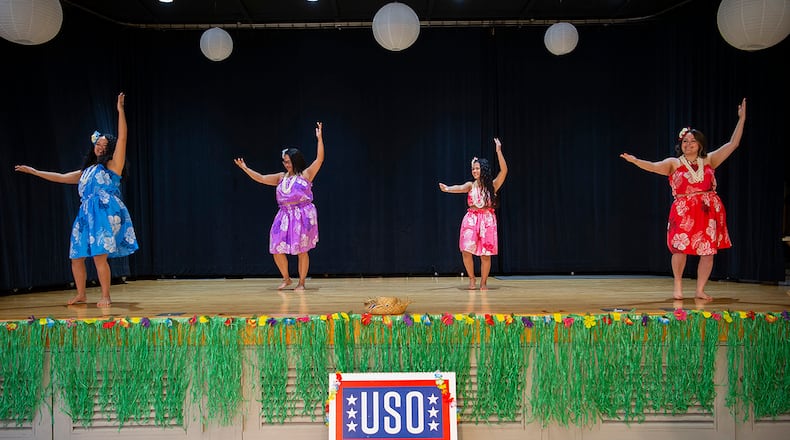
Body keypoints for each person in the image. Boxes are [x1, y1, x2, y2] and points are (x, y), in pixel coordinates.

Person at [14, 92, 138, 307]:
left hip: (103, 213)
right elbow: (62, 177)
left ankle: (106, 295)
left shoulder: (112, 167)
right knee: (76, 256)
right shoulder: (87, 171)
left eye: (104, 145)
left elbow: (123, 137)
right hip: (85, 215)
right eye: (97, 144)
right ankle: (81, 294)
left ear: (109, 149)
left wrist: (120, 111)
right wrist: (34, 172)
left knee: (99, 256)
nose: (99, 147)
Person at [620, 98, 746, 301]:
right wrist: (636, 161)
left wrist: (742, 118)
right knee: (680, 248)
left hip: (708, 210)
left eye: (692, 141)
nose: (688, 144)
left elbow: (733, 144)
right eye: (685, 141)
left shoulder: (710, 160)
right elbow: (653, 166)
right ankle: (677, 284)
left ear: (700, 144)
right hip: (684, 210)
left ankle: (700, 289)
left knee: (708, 252)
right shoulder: (674, 163)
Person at [234, 122, 324, 291]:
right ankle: (286, 278)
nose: (285, 164)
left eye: (288, 162)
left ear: (295, 161)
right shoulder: (281, 177)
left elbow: (319, 159)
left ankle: (301, 283)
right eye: (284, 162)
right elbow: (261, 178)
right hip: (284, 215)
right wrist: (245, 168)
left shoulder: (306, 175)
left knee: (301, 250)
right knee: (276, 247)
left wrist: (319, 139)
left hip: (302, 215)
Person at [439, 138, 508, 290]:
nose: (475, 171)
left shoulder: (493, 186)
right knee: (466, 250)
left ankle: (483, 283)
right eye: (473, 169)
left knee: (485, 254)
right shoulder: (471, 185)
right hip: (471, 219)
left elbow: (504, 171)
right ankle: (472, 279)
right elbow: (460, 187)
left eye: (477, 168)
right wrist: (448, 189)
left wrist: (498, 151)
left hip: (487, 221)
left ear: (483, 169)